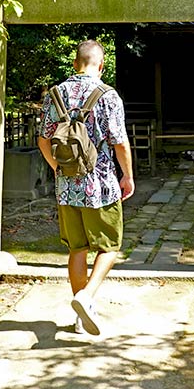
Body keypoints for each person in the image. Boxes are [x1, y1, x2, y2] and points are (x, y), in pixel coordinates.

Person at [38, 40, 135, 335]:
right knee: (109, 247)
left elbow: (44, 140)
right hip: (101, 184)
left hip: (67, 185)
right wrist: (127, 176)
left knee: (77, 248)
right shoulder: (108, 95)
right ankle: (86, 297)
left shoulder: (55, 94)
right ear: (101, 65)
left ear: (74, 63)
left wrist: (57, 169)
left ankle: (80, 319)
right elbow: (119, 142)